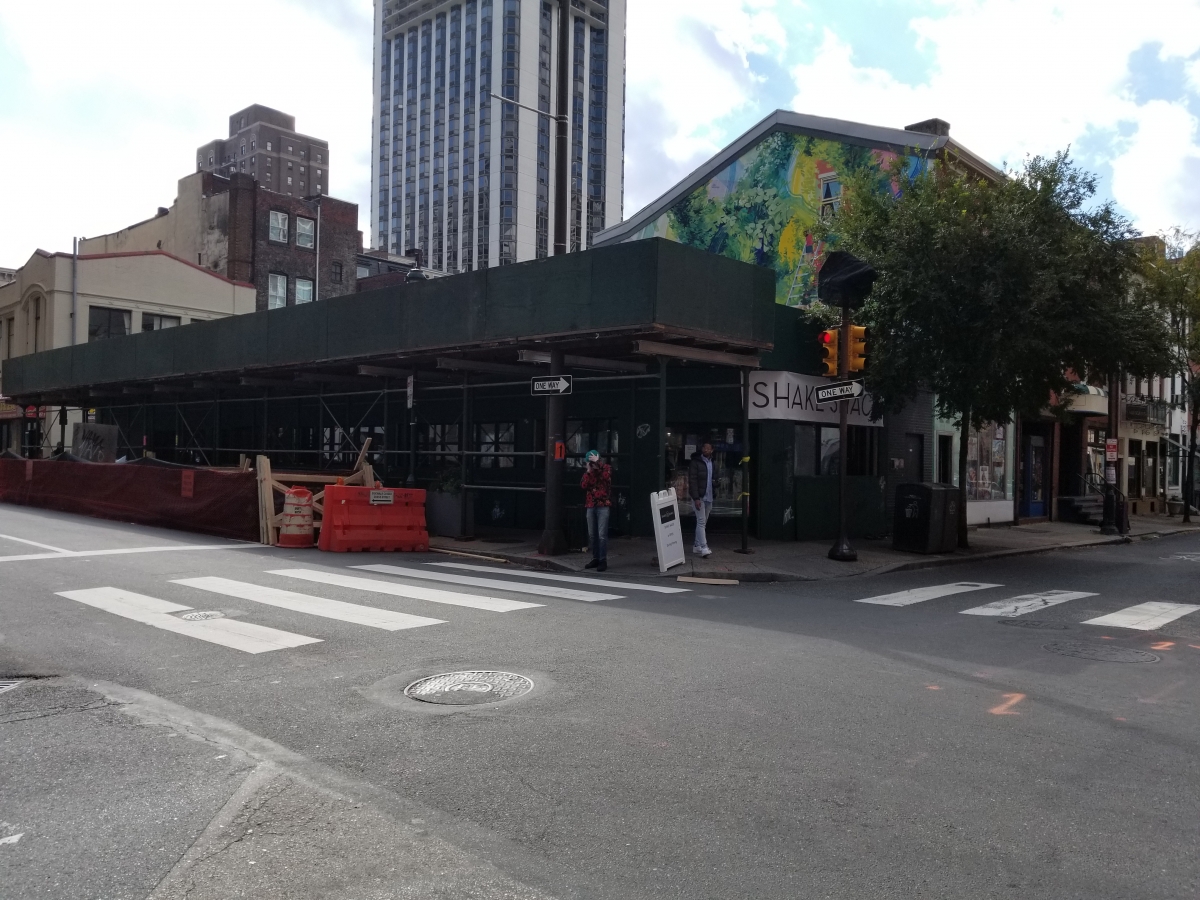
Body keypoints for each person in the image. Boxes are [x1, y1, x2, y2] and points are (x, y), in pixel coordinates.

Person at [580, 449, 612, 572]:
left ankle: (603, 560)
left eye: (592, 462)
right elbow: (583, 485)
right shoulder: (589, 472)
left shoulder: (606, 468)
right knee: (592, 535)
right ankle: (595, 558)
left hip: (603, 505)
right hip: (590, 505)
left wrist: (597, 463)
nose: (592, 464)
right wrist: (588, 471)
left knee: (602, 535)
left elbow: (606, 477)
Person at [688, 442, 714, 557]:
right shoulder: (695, 462)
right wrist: (696, 498)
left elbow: (714, 478)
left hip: (709, 496)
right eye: (704, 447)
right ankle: (704, 547)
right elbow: (692, 480)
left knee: (702, 522)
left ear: (712, 450)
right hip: (699, 497)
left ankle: (697, 545)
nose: (706, 450)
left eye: (708, 448)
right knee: (701, 521)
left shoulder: (713, 462)